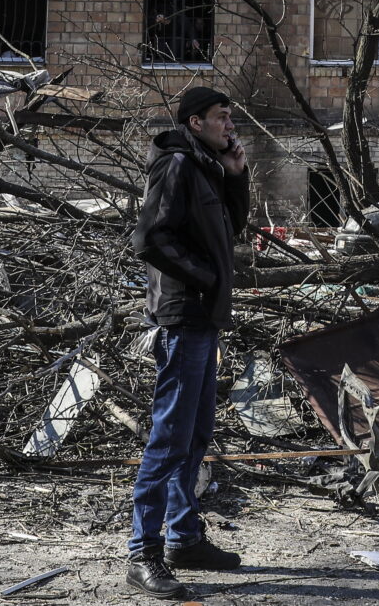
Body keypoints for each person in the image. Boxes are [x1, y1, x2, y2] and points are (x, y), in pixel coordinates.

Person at [125, 87, 250, 598]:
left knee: (196, 434)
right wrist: (203, 280)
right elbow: (150, 239)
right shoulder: (176, 165)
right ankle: (143, 553)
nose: (230, 125)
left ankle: (185, 539)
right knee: (169, 439)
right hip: (183, 318)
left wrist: (237, 178)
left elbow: (231, 231)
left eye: (230, 117)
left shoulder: (207, 167)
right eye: (222, 117)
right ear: (194, 122)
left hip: (204, 319)